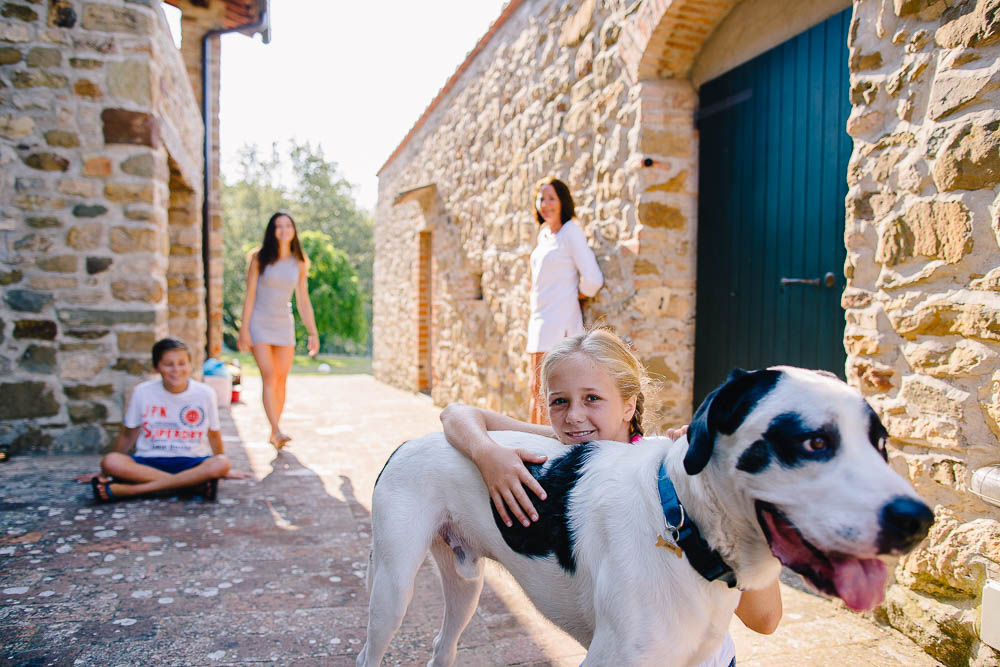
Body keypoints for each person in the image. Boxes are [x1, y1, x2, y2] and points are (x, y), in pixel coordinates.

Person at [440, 329, 781, 666]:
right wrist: (486, 455)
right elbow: (457, 415)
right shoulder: (570, 447)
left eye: (592, 398)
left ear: (628, 405)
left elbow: (765, 618)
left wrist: (720, 491)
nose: (574, 416)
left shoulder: (670, 475)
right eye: (560, 401)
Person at [86, 338, 249, 502]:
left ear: (190, 366)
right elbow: (128, 435)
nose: (176, 370)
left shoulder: (205, 393)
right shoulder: (142, 392)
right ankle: (193, 486)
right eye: (168, 364)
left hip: (191, 461)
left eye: (182, 363)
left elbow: (213, 433)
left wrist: (223, 469)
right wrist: (105, 471)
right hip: (149, 460)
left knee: (221, 463)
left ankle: (132, 490)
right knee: (110, 461)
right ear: (156, 367)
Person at [237, 211, 319, 450]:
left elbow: (303, 301)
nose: (283, 230)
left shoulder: (300, 261)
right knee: (270, 376)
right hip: (259, 322)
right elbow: (250, 294)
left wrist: (312, 332)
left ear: (294, 231)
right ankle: (276, 430)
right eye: (278, 226)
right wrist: (244, 329)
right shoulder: (259, 258)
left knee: (281, 380)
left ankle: (276, 428)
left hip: (284, 324)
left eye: (288, 226)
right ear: (272, 231)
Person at [527, 177, 604, 424]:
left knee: (550, 395)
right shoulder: (545, 236)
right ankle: (533, 451)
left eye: (552, 198)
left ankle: (548, 456)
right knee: (535, 390)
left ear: (563, 202)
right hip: (538, 321)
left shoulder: (571, 232)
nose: (546, 204)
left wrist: (577, 293)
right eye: (541, 198)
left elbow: (593, 279)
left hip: (560, 324)